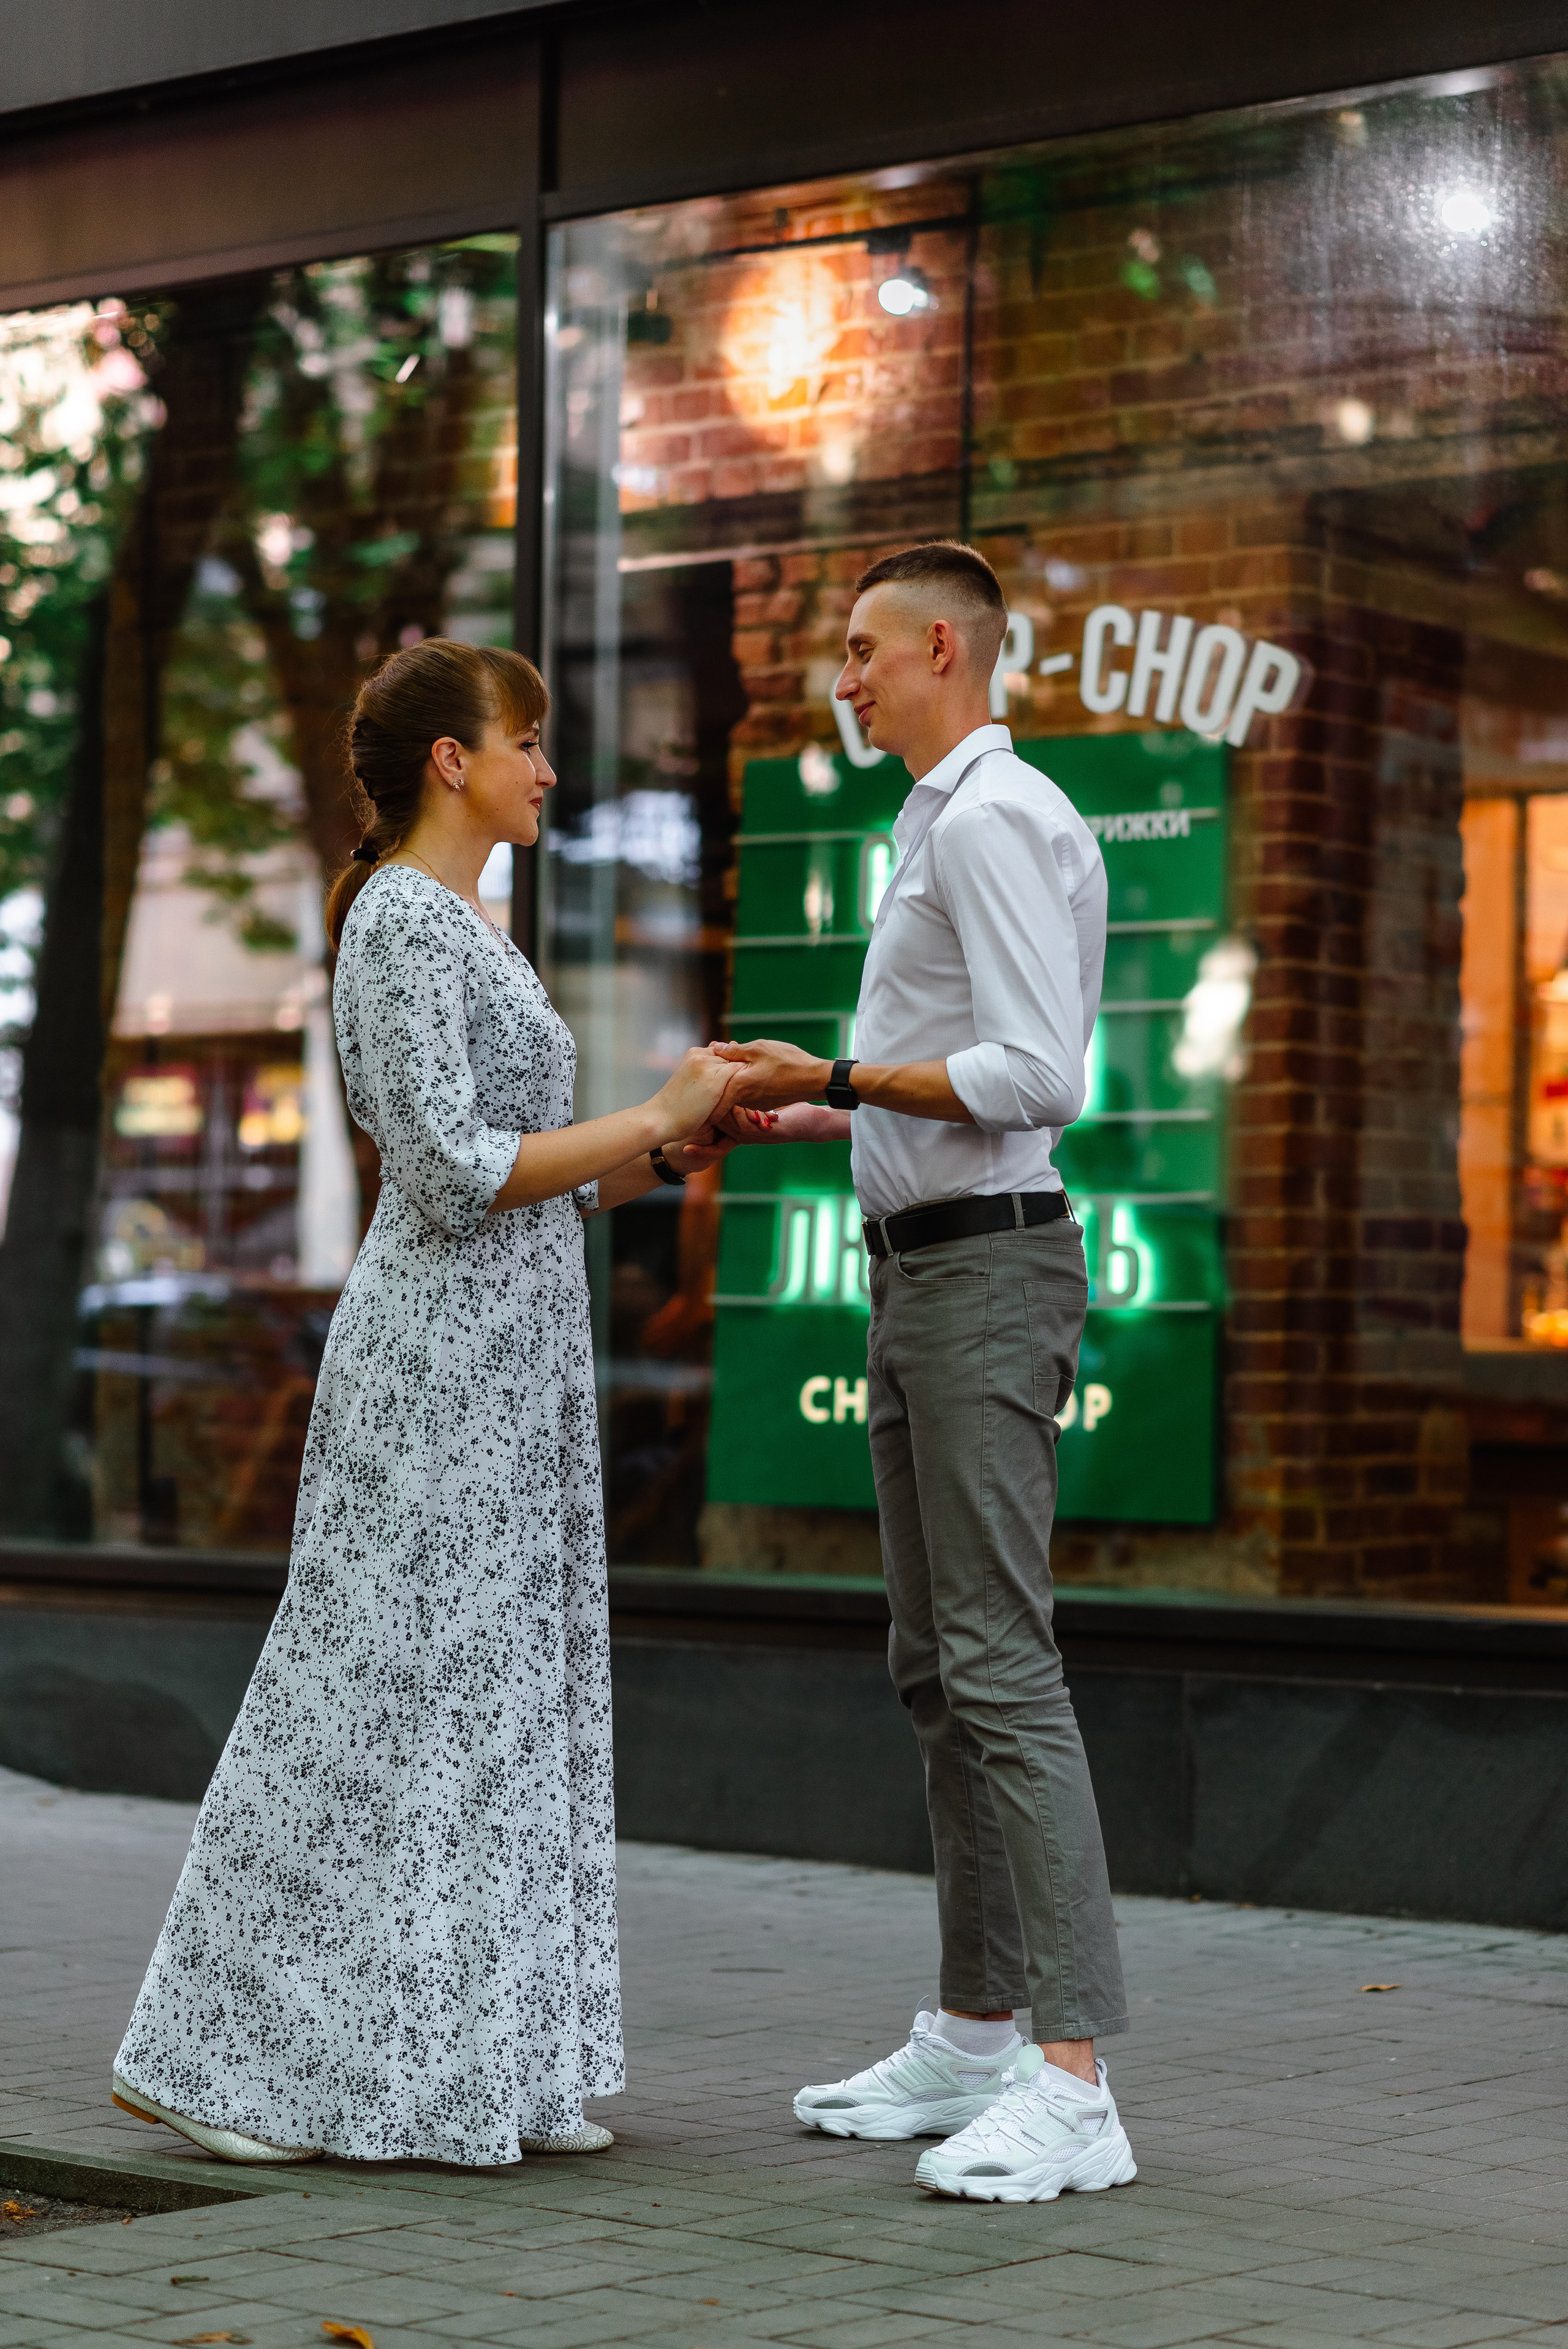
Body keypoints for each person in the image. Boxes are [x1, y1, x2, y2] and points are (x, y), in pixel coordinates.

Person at [112, 639, 741, 2167]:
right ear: (452, 762)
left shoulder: (465, 926)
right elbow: (452, 1176)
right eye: (526, 741)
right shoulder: (400, 918)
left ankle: (479, 2071)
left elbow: (526, 1185)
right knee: (357, 1695)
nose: (548, 770)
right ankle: (206, 2059)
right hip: (437, 1367)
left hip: (509, 1362)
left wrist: (666, 1150)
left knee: (489, 1704)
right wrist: (645, 1113)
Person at [714, 542, 1137, 2204]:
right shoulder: (941, 820)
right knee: (938, 1666)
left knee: (1000, 1665)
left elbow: (1036, 1074)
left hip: (985, 1276)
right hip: (922, 1272)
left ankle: (1076, 2084)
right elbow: (950, 1077)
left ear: (942, 647)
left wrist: (837, 1071)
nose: (844, 677)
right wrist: (806, 1110)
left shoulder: (991, 817)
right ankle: (974, 2033)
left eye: (861, 648)